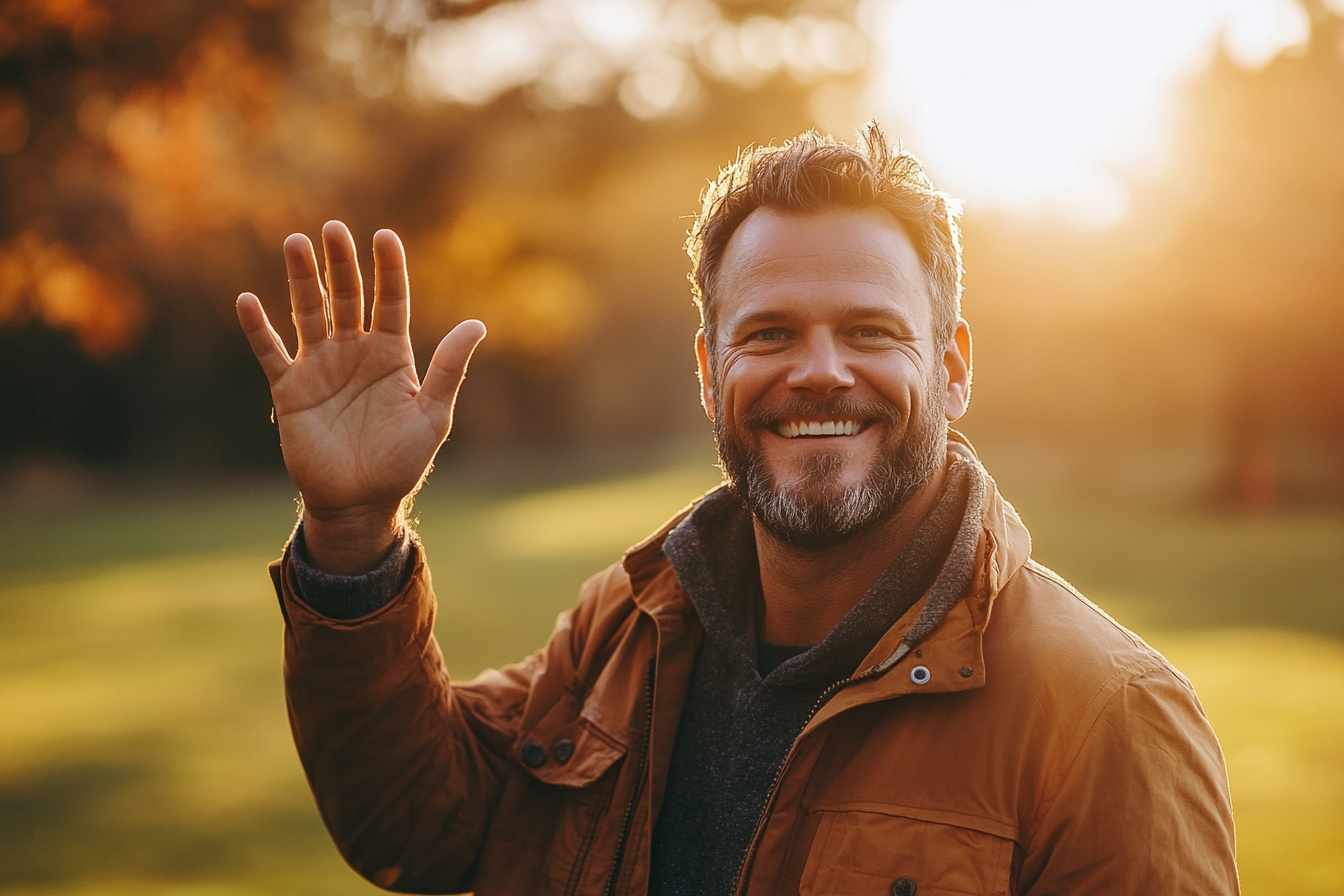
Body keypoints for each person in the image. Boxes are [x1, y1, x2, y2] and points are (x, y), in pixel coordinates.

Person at [236, 124, 1239, 896]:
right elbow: (420, 819)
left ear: (953, 365)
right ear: (711, 373)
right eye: (769, 332)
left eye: (868, 328)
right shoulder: (626, 625)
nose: (820, 370)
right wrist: (356, 529)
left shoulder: (1109, 716)